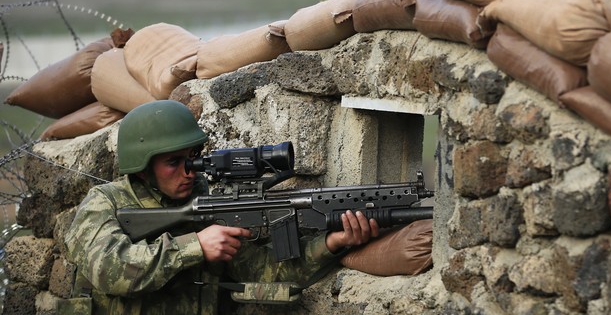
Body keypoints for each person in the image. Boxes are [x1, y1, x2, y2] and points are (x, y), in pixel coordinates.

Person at [62, 100, 378, 314]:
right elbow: (108, 271)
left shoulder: (206, 204)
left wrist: (333, 242)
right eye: (174, 162)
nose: (189, 170)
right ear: (143, 168)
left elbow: (265, 274)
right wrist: (196, 245)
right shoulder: (105, 202)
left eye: (193, 158)